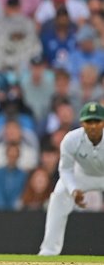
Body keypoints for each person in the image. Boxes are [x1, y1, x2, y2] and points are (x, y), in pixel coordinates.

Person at [39, 102, 104, 256]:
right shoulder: (71, 139)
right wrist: (74, 190)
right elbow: (65, 169)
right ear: (82, 123)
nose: (93, 126)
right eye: (89, 122)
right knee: (60, 194)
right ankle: (49, 251)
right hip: (81, 175)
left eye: (97, 121)